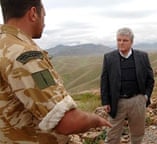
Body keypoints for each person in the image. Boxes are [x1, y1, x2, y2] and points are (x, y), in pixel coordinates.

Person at [0, 0, 111, 143]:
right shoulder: (25, 56)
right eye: (44, 16)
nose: (44, 23)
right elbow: (66, 121)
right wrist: (96, 120)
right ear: (33, 14)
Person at [100, 27, 154, 144]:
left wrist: (146, 96)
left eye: (125, 40)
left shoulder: (142, 56)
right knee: (112, 135)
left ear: (131, 42)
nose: (121, 43)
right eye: (118, 40)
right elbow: (104, 81)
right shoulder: (109, 58)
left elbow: (150, 79)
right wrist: (105, 101)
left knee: (137, 133)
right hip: (117, 101)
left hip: (137, 100)